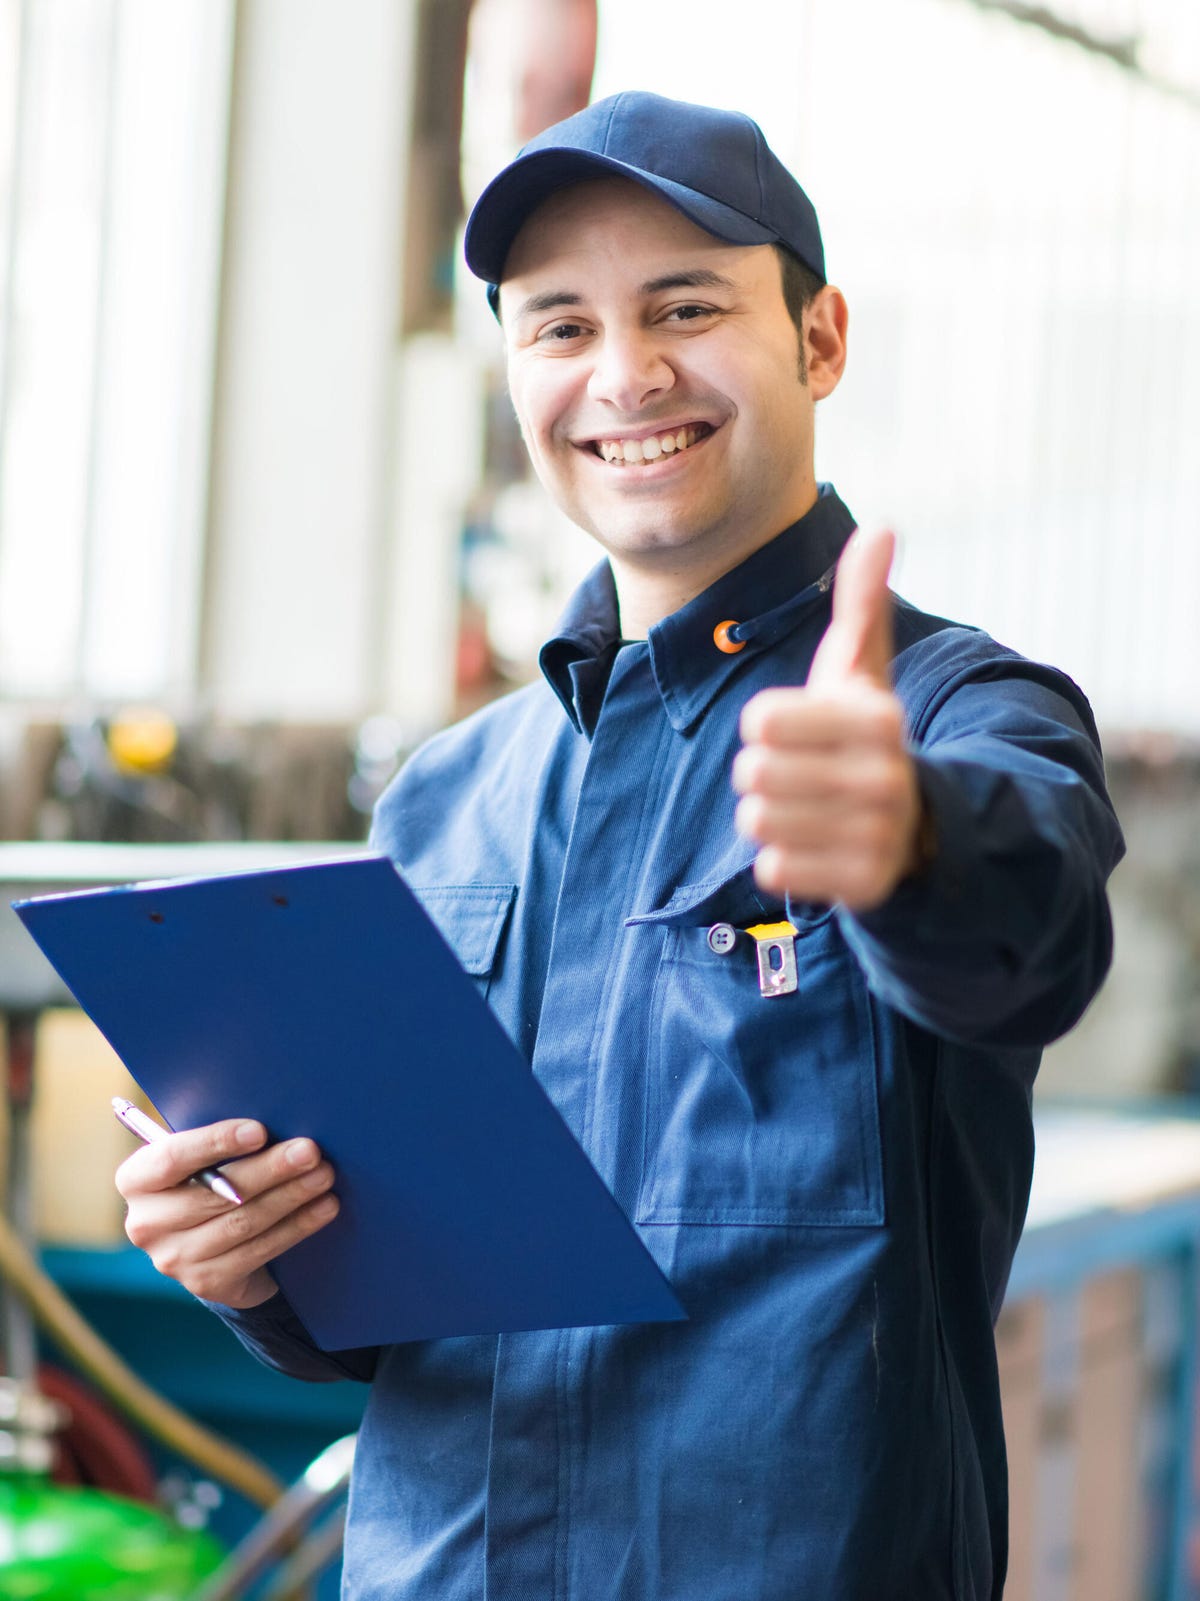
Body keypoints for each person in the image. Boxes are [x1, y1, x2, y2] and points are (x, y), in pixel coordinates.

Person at [118, 92, 1124, 1600]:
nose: (625, 375)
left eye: (687, 307)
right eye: (559, 326)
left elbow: (1029, 931)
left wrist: (908, 836)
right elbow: (395, 1296)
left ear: (820, 338)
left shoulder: (947, 713)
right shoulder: (446, 798)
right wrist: (248, 1259)